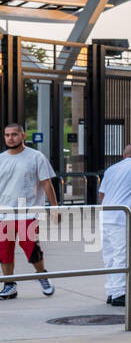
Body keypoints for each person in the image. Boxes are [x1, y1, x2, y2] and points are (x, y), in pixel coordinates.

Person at [0, 124, 60, 299]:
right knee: (4, 251)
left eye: (14, 134)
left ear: (23, 135)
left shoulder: (36, 157)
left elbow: (46, 184)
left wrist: (55, 208)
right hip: (4, 213)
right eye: (7, 135)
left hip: (28, 212)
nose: (10, 138)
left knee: (31, 247)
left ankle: (42, 275)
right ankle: (9, 285)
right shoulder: (1, 158)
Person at [96, 144, 131, 306]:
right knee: (123, 255)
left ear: (123, 155)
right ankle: (120, 294)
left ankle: (112, 291)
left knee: (110, 256)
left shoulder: (111, 169)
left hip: (106, 215)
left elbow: (102, 194)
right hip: (123, 217)